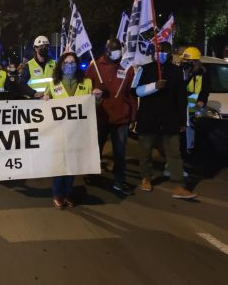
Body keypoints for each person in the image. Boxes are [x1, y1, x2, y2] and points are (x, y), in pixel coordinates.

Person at [131, 42, 197, 199]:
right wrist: (155, 86)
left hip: (170, 120)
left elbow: (182, 98)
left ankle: (179, 185)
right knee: (145, 152)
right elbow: (135, 91)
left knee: (174, 153)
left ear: (169, 54)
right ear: (154, 53)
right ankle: (146, 178)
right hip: (148, 119)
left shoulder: (177, 71)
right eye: (158, 50)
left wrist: (183, 121)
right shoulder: (144, 69)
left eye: (164, 51)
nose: (161, 53)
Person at [43, 52, 103, 209]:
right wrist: (45, 100)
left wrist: (96, 99)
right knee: (59, 165)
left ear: (77, 64)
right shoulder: (52, 85)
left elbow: (92, 109)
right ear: (61, 66)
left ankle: (68, 193)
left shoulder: (87, 83)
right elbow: (44, 109)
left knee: (72, 166)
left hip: (78, 133)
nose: (69, 65)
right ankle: (57, 194)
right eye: (66, 63)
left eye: (72, 62)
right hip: (59, 133)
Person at [85, 39, 137, 195]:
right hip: (100, 116)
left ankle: (119, 181)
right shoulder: (95, 67)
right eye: (113, 52)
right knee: (96, 148)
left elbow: (131, 94)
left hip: (121, 118)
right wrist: (95, 91)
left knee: (120, 152)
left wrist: (133, 115)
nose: (117, 55)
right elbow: (85, 89)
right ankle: (92, 175)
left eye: (119, 52)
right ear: (106, 51)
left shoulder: (127, 68)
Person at [180, 47, 210, 155]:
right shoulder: (180, 71)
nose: (185, 62)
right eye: (185, 60)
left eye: (188, 61)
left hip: (193, 108)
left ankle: (189, 150)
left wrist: (202, 100)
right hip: (181, 107)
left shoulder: (202, 73)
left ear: (196, 61)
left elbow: (205, 89)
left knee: (190, 133)